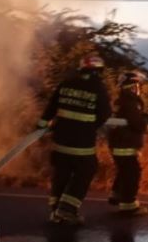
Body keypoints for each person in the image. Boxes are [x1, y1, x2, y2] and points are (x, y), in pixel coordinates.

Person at [38, 54, 111, 224]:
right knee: (87, 170)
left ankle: (56, 210)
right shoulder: (98, 88)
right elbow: (105, 114)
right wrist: (91, 125)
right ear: (98, 71)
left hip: (60, 140)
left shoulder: (66, 83)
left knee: (61, 174)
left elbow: (50, 108)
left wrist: (41, 126)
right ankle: (67, 210)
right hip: (81, 142)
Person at [107, 70, 148, 216]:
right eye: (138, 85)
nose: (140, 89)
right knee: (132, 173)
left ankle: (117, 195)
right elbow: (137, 123)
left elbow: (135, 116)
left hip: (118, 143)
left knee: (124, 170)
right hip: (125, 143)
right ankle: (128, 206)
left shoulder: (123, 100)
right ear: (133, 86)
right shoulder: (130, 101)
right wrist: (147, 125)